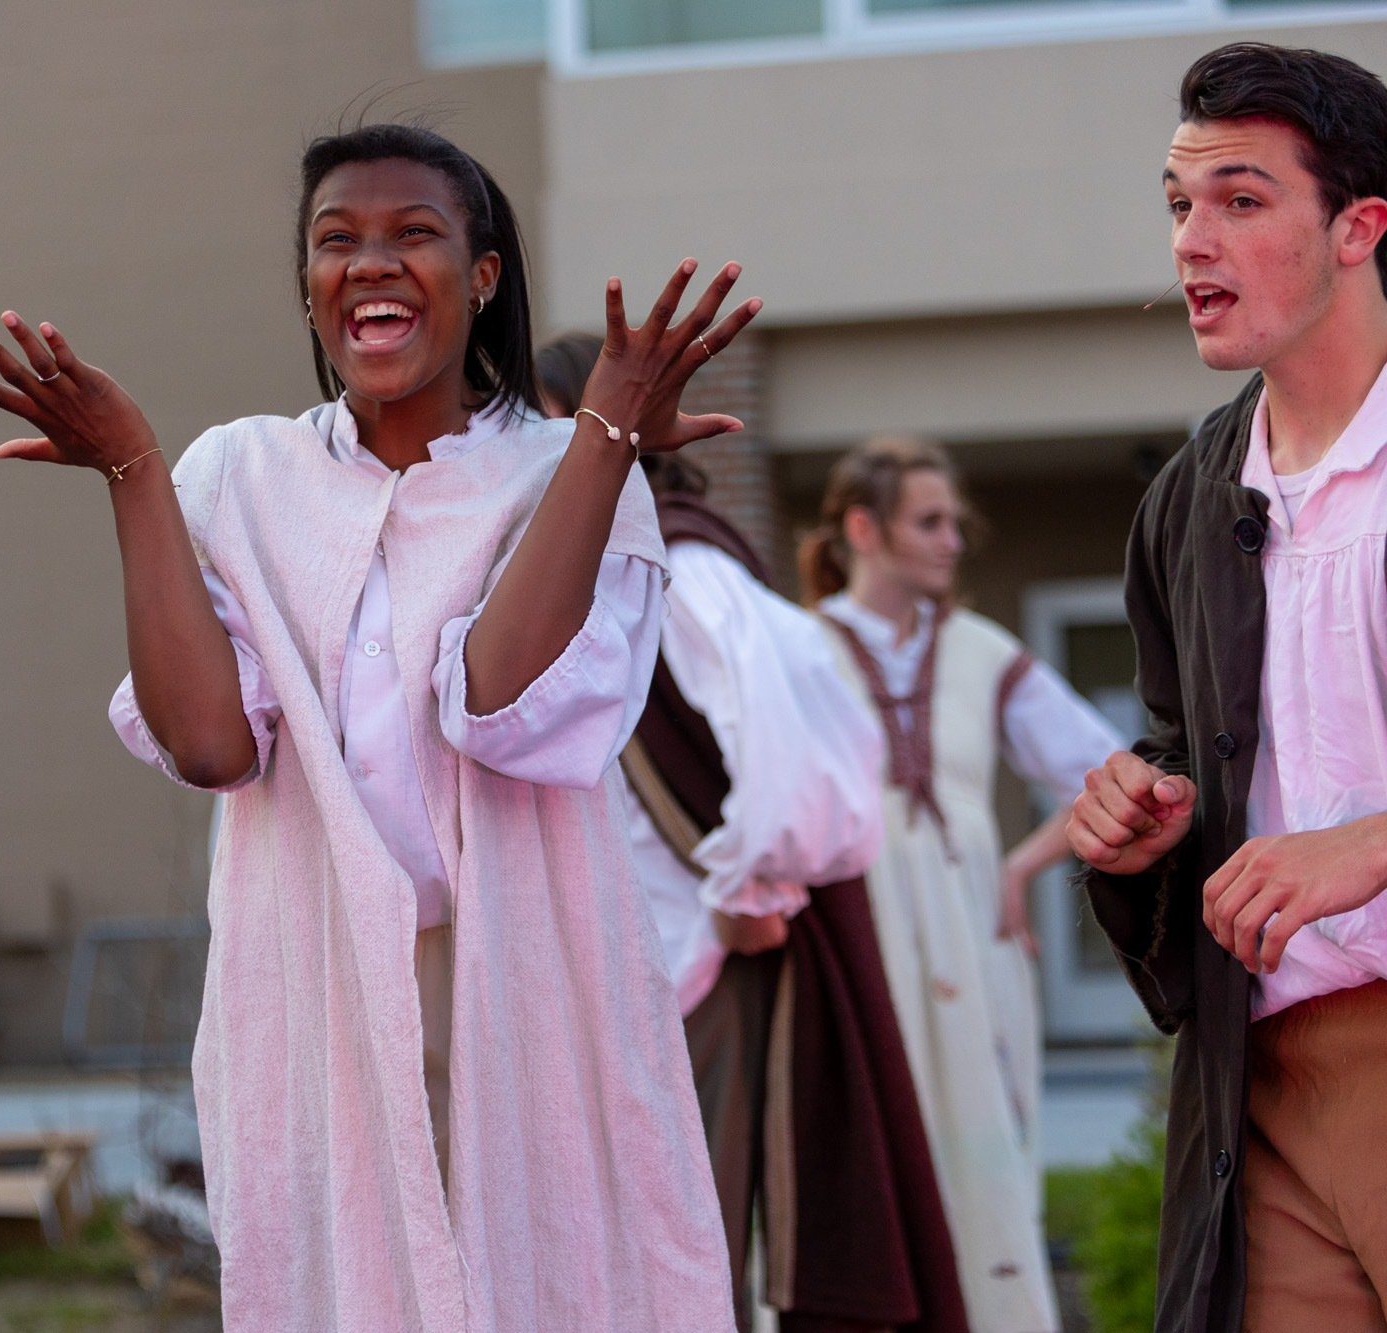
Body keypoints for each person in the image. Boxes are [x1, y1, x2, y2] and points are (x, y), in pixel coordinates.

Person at [0, 124, 757, 1331]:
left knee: (551, 1287)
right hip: (313, 989)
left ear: (482, 276)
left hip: (523, 987)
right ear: (307, 287)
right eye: (337, 242)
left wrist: (601, 439)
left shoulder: (570, 472)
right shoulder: (238, 478)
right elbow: (212, 747)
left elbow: (502, 707)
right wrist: (132, 469)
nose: (370, 263)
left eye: (412, 234)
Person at [540, 336, 968, 1333]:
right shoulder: (590, 563)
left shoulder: (677, 560)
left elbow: (804, 746)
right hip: (620, 964)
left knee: (682, 1256)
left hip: (697, 967)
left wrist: (743, 894)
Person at [1068, 42, 1387, 1332]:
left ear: (1358, 225)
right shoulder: (1189, 502)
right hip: (1253, 1081)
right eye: (1176, 206)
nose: (1191, 242)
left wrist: (1369, 845)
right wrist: (1142, 828)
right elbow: (1185, 751)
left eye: (1240, 202)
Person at [803, 438, 1122, 1333]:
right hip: (855, 950)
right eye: (930, 520)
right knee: (866, 1159)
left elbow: (1110, 772)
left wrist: (1022, 864)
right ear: (864, 528)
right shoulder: (796, 649)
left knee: (984, 1166)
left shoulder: (984, 653)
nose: (953, 540)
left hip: (974, 948)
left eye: (956, 521)